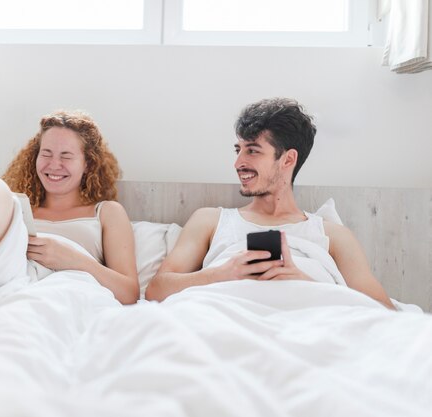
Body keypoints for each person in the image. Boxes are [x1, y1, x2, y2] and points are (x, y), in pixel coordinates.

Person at [145, 98, 395, 309]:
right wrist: (223, 273)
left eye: (252, 151)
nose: (238, 163)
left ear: (288, 160)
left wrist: (304, 282)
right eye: (238, 150)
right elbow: (156, 290)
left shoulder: (332, 235)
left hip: (308, 323)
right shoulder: (210, 220)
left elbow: (382, 312)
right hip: (225, 316)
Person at [0, 110, 139, 324]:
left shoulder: (106, 212)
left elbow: (129, 293)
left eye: (66, 156)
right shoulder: (15, 207)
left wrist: (71, 258)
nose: (54, 165)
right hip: (5, 273)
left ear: (88, 164)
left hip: (60, 285)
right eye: (46, 154)